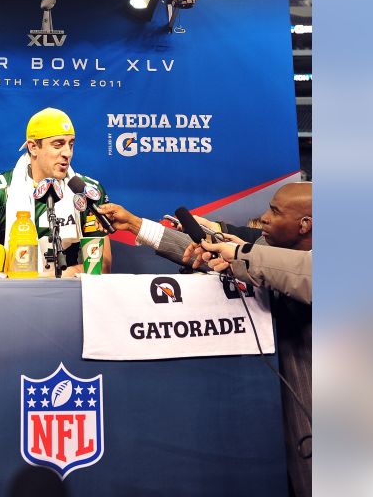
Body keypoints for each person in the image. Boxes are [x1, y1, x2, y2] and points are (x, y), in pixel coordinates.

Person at [96, 181, 312, 497]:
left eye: (275, 212)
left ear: (304, 224)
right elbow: (199, 249)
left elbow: (300, 271)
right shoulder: (269, 249)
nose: (263, 217)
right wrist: (134, 224)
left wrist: (240, 254)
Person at [0, 107, 111, 278]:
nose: (67, 153)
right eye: (58, 144)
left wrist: (55, 279)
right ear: (33, 147)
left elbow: (101, 265)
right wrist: (23, 286)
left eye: (71, 144)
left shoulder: (87, 193)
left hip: (68, 295)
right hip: (7, 298)